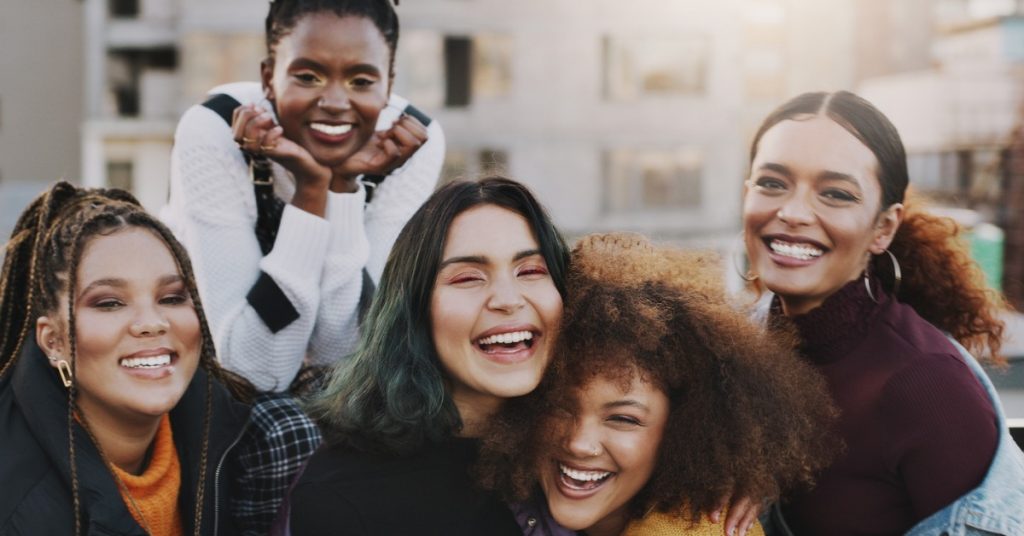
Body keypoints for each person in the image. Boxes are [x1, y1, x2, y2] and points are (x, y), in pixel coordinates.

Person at [740, 90, 1024, 535]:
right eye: (772, 183)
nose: (792, 212)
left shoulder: (928, 386)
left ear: (883, 228)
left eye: (835, 193)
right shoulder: (740, 343)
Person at [162, 0, 445, 392]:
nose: (333, 103)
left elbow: (342, 355)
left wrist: (343, 185)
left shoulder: (411, 144)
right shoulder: (213, 131)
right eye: (308, 76)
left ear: (389, 86)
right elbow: (252, 369)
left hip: (313, 377)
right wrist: (311, 192)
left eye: (361, 81)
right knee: (287, 426)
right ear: (268, 78)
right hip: (204, 358)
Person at [475, 233, 837, 536]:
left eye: (623, 419)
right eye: (558, 406)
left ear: (684, 431)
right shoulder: (487, 499)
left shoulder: (706, 530)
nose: (579, 443)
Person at [283, 177, 569, 534]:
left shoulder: (589, 457)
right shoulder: (344, 498)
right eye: (468, 278)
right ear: (415, 309)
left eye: (530, 271)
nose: (508, 299)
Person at [0, 182, 257, 535]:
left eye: (171, 298)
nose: (153, 323)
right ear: (53, 341)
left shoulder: (247, 440)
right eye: (109, 303)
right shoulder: (16, 507)